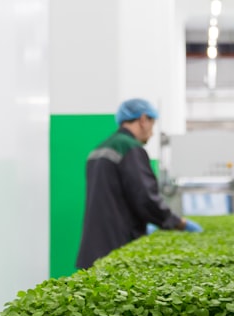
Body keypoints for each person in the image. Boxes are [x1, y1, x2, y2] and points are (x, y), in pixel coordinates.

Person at [76, 98, 202, 269]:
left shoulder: (99, 149)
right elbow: (146, 198)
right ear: (143, 120)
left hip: (93, 248)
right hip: (117, 248)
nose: (151, 133)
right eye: (152, 124)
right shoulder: (130, 148)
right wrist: (178, 223)